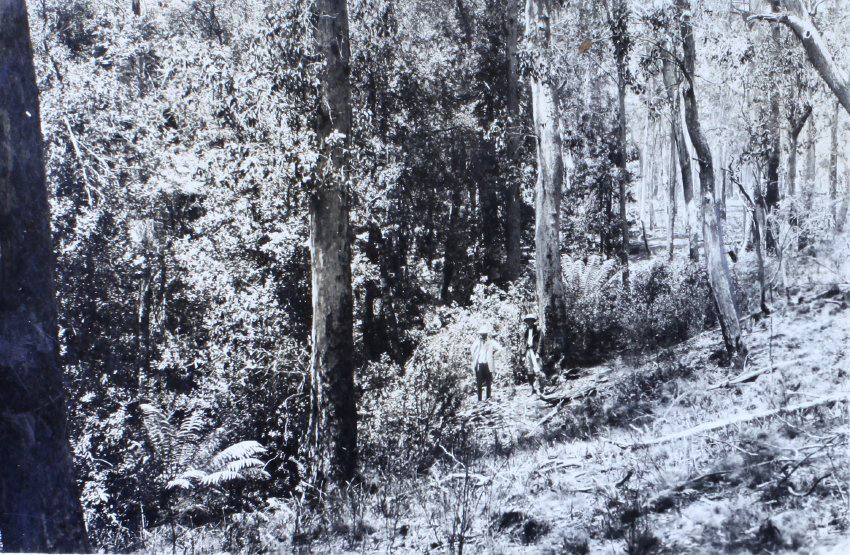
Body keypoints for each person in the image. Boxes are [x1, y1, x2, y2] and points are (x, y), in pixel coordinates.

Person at [470, 324, 502, 401]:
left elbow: (500, 348)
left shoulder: (491, 342)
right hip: (479, 364)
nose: (483, 335)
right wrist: (475, 358)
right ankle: (479, 399)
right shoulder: (477, 342)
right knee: (479, 382)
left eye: (484, 334)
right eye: (482, 334)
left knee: (488, 382)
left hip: (488, 364)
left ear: (487, 334)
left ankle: (488, 397)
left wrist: (493, 356)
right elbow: (472, 350)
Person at [522, 313, 546, 393]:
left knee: (537, 369)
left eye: (531, 321)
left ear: (533, 321)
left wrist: (538, 352)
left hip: (535, 350)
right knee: (529, 369)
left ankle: (540, 388)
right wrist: (523, 354)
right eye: (528, 321)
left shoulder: (538, 330)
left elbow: (541, 342)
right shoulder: (526, 331)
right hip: (528, 351)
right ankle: (531, 388)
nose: (529, 322)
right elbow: (524, 342)